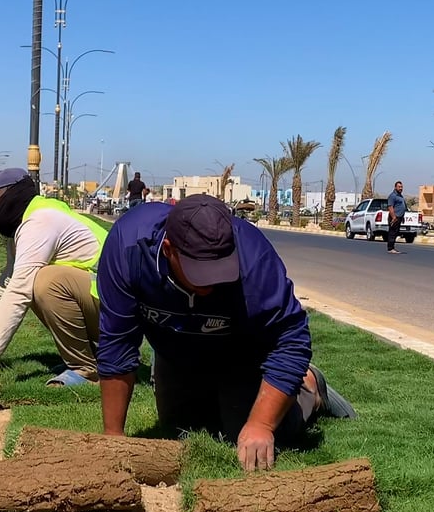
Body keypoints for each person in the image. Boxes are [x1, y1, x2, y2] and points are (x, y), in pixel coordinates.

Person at [95, 195, 357, 472]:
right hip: (175, 353)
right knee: (182, 429)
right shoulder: (128, 246)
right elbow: (117, 342)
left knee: (245, 436)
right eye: (201, 272)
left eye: (220, 269)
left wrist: (261, 425)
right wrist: (114, 437)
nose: (212, 281)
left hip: (241, 354)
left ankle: (310, 387)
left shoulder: (254, 257)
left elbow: (291, 338)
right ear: (169, 250)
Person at [0, 168, 109, 386]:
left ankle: (85, 369)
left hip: (117, 311)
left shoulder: (40, 221)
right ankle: (91, 357)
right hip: (103, 302)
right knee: (37, 280)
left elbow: (19, 290)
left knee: (45, 283)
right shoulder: (26, 222)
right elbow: (7, 283)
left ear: (8, 193)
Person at [386, 181, 407, 254]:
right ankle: (390, 248)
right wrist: (393, 217)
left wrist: (402, 216)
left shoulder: (400, 196)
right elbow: (390, 207)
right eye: (399, 187)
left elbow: (401, 207)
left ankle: (392, 247)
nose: (401, 188)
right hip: (394, 217)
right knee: (392, 232)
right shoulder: (393, 196)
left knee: (395, 232)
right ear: (395, 187)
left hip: (399, 217)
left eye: (401, 187)